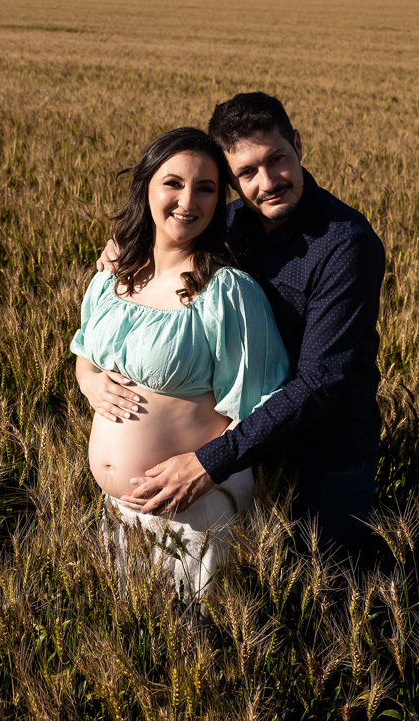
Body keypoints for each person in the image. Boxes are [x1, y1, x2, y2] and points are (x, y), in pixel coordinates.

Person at [88, 93, 385, 550]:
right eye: (246, 172)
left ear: (298, 146)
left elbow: (321, 380)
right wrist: (125, 250)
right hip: (241, 453)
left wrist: (209, 462)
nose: (267, 182)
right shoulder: (228, 224)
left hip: (323, 460)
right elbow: (174, 232)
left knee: (326, 596)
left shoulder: (344, 244)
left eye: (277, 159)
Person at [71, 127, 290, 598]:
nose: (188, 200)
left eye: (206, 188)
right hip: (118, 509)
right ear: (146, 186)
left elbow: (262, 407)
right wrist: (89, 383)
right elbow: (84, 353)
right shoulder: (114, 277)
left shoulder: (227, 291)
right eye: (173, 183)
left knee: (199, 649)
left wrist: (201, 469)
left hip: (194, 510)